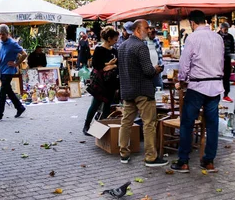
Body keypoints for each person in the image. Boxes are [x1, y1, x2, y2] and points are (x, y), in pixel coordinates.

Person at [171, 10, 224, 173]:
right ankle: (208, 161)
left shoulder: (192, 38)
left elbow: (185, 63)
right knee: (212, 124)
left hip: (197, 86)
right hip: (215, 86)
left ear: (193, 23)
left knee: (187, 123)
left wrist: (180, 80)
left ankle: (184, 161)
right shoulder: (218, 37)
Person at [117, 20, 168, 167]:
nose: (149, 30)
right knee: (149, 124)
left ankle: (124, 153)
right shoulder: (140, 46)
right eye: (146, 28)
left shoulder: (123, 46)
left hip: (128, 89)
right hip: (143, 90)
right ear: (138, 29)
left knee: (126, 122)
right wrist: (156, 69)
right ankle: (151, 157)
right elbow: (148, 71)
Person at [83, 26, 120, 135]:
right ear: (109, 38)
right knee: (95, 103)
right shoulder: (99, 49)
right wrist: (108, 64)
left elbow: (118, 64)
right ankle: (86, 126)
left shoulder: (114, 50)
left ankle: (102, 128)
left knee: (108, 104)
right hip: (100, 81)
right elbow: (96, 64)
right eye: (114, 39)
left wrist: (112, 66)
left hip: (111, 81)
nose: (116, 41)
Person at [0, 24, 27, 123]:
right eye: (0, 34)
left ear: (7, 34)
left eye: (3, 34)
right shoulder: (1, 42)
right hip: (2, 69)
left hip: (9, 70)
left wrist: (16, 64)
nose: (1, 36)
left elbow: (24, 54)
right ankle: (19, 107)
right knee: (8, 91)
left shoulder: (13, 43)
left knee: (2, 93)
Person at [218, 22, 235, 103]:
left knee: (226, 78)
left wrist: (232, 57)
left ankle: (226, 94)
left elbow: (232, 48)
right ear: (221, 28)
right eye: (225, 29)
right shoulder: (216, 36)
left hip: (227, 59)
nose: (226, 31)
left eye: (227, 30)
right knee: (217, 78)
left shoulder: (230, 37)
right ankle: (216, 95)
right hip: (217, 60)